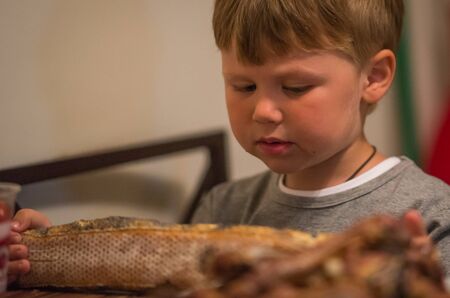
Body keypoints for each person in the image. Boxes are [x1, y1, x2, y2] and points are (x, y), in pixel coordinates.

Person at [7, 0, 450, 284]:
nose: (263, 111)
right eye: (243, 86)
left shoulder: (430, 219)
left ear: (372, 78)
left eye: (294, 88)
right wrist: (58, 256)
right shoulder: (222, 209)